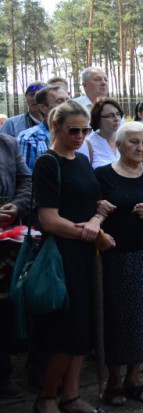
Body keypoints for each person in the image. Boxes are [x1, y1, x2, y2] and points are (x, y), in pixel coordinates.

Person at [31, 100, 116, 413]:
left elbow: (93, 205)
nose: (80, 136)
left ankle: (71, 395)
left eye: (85, 130)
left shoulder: (81, 160)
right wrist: (88, 231)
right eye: (73, 131)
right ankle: (47, 397)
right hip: (61, 257)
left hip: (86, 255)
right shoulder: (47, 163)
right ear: (56, 127)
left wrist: (97, 219)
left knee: (85, 330)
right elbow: (50, 220)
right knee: (67, 333)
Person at [95, 121, 143, 406]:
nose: (140, 148)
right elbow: (95, 214)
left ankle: (134, 377)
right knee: (117, 318)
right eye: (133, 142)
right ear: (119, 145)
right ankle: (114, 379)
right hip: (117, 260)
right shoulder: (103, 176)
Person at [0, 133, 31, 400]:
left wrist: (17, 205)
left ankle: (3, 375)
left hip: (5, 242)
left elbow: (26, 181)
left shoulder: (7, 143)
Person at [18, 85, 69, 171]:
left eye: (68, 101)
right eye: (60, 101)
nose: (67, 106)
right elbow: (26, 179)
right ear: (43, 108)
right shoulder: (29, 138)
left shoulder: (77, 133)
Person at [77, 97, 124, 169]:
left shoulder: (125, 142)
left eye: (118, 114)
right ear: (98, 119)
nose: (116, 119)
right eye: (110, 115)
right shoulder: (87, 145)